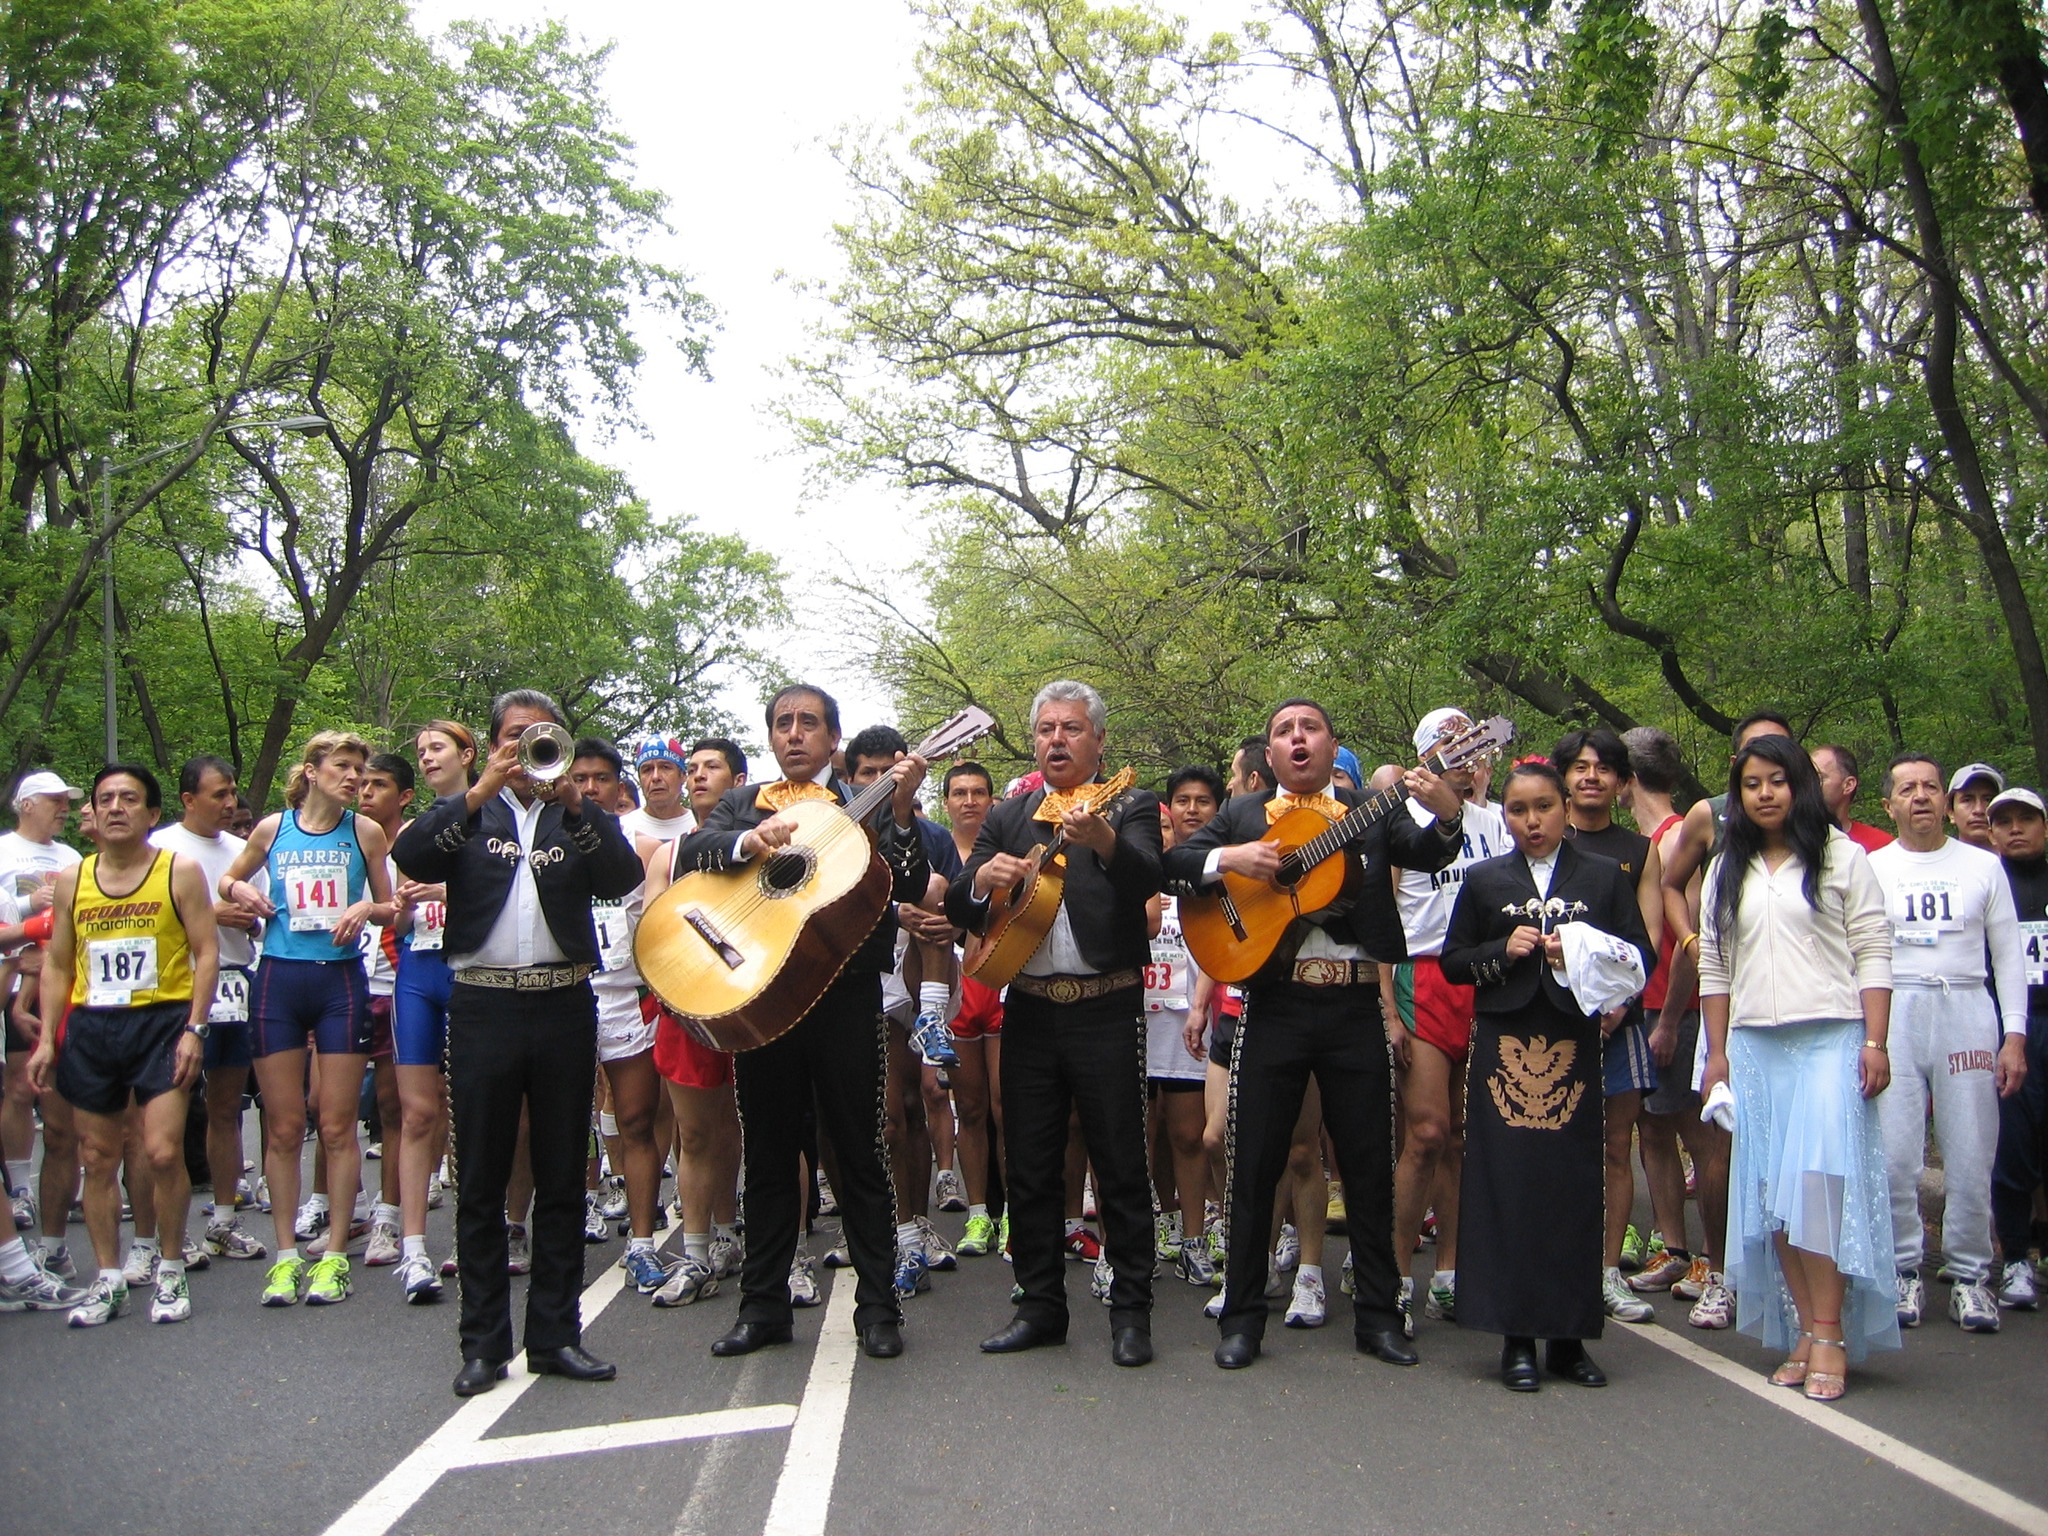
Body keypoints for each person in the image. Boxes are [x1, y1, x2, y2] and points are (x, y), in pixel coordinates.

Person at [1166, 697, 1464, 1371]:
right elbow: (1176, 864)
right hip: (1274, 1002)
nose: (1297, 738)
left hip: (1355, 1003)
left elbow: (1427, 851)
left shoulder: (1370, 809)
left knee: (1367, 1164)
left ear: (1332, 746)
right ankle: (1242, 1320)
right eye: (1284, 731)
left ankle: (1379, 1318)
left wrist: (1448, 812)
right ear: (1270, 754)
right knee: (1253, 1162)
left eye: (1311, 728)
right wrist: (1236, 857)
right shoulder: (1243, 814)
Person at [394, 689, 644, 1395]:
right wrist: (478, 791)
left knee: (563, 1174)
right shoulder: (471, 811)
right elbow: (413, 853)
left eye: (542, 735)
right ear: (493, 742)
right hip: (483, 1003)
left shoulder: (575, 813)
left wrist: (577, 803)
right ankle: (482, 1346)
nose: (528, 747)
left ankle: (556, 1337)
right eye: (515, 736)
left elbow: (622, 876)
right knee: (480, 1176)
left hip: (564, 1001)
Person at [674, 684, 930, 1362]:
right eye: (783, 722)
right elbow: (695, 851)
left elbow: (908, 884)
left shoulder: (863, 802)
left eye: (809, 723)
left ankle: (879, 1309)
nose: (794, 733)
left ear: (833, 739)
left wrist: (902, 812)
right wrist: (748, 841)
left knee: (860, 1153)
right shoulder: (744, 801)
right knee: (767, 1156)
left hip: (843, 996)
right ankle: (763, 1308)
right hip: (764, 1000)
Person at [949, 679, 1161, 1368]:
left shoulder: (1130, 804)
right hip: (1032, 1009)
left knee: (1120, 1162)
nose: (1057, 740)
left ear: (1099, 739)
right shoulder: (1011, 815)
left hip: (1108, 1005)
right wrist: (982, 882)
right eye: (1046, 730)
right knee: (1032, 1163)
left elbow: (1147, 878)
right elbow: (960, 906)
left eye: (1071, 729)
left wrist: (1104, 839)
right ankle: (1039, 1306)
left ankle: (1131, 1312)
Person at [1440, 759, 1654, 1392]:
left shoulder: (1603, 876)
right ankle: (1515, 1338)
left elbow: (1639, 954)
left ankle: (1568, 1339)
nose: (1532, 821)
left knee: (1571, 1184)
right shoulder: (1485, 880)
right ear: (1504, 816)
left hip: (1574, 1039)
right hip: (1504, 1041)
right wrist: (1500, 951)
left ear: (1564, 808)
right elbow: (1453, 961)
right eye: (1517, 810)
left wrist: (1584, 958)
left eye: (1543, 807)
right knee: (1506, 1183)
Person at [1698, 733, 1898, 1401]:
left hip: (1831, 1039)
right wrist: (1717, 1055)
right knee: (1774, 1198)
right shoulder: (1727, 867)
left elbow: (1873, 950)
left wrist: (1876, 1042)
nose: (1764, 794)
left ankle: (1832, 1333)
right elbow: (1714, 966)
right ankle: (1805, 1331)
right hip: (1755, 1046)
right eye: (1751, 784)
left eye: (1776, 781)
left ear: (1799, 787)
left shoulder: (1842, 856)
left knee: (1817, 1189)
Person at [27, 764, 219, 1325]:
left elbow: (207, 951)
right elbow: (58, 962)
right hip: (94, 1025)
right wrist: (47, 1040)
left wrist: (196, 1028)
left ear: (152, 813)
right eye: (105, 798)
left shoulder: (178, 870)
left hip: (162, 1021)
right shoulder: (74, 878)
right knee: (96, 1157)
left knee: (162, 1151)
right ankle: (108, 1278)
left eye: (129, 799)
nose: (115, 808)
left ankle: (170, 1267)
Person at [219, 731, 394, 1308]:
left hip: (339, 982)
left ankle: (336, 1254)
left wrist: (367, 906)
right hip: (279, 980)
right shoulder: (273, 828)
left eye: (361, 770)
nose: (354, 778)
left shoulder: (364, 832)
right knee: (284, 1126)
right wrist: (242, 890)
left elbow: (392, 908)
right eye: (343, 767)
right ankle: (285, 1257)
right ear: (313, 771)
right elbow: (226, 879)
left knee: (337, 1125)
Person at [1869, 755, 2030, 1332]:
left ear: (1946, 801)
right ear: (1888, 805)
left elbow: (2008, 956)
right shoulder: (1873, 867)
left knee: (1970, 1152)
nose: (1920, 796)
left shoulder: (1983, 867)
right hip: (1896, 1010)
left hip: (1965, 1008)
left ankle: (1969, 1276)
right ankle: (1903, 1270)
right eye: (1907, 788)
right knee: (1894, 1156)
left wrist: (2014, 1035)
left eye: (1931, 787)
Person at [1654, 710, 1797, 1326]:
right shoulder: (1710, 815)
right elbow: (1670, 882)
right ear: (1736, 763)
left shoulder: (1814, 825)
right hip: (1728, 1002)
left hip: (1802, 1006)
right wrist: (1691, 942)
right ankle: (1718, 1269)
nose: (1767, 773)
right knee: (1720, 1141)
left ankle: (1790, 1278)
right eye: (1754, 759)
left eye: (1780, 758)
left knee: (1797, 1148)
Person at [1379, 706, 1508, 1333]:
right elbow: (1382, 921)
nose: (1465, 755)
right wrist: (1388, 1009)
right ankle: (1394, 1275)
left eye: (1471, 744)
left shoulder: (1497, 824)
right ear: (1427, 753)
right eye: (1450, 744)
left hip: (1484, 977)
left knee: (1462, 1135)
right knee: (1426, 1132)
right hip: (1422, 976)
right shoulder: (1402, 820)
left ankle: (1451, 1273)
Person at [844, 724, 963, 1302]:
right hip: (862, 976)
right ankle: (895, 1233)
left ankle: (915, 1228)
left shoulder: (930, 833)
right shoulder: (835, 832)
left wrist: (944, 921)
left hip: (918, 970)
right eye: (866, 773)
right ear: (850, 779)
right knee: (888, 1117)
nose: (878, 780)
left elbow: (956, 898)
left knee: (916, 1107)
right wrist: (894, 913)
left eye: (886, 770)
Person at [1552, 727, 1667, 1319]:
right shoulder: (1546, 842)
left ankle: (1606, 1273)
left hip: (1620, 1022)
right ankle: (1553, 1265)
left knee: (1615, 1146)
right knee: (1551, 1145)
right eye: (1579, 766)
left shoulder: (1640, 850)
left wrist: (1617, 1004)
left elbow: (1647, 940)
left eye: (1603, 767)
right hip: (1550, 1021)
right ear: (1563, 778)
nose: (1591, 776)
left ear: (1622, 781)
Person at [1619, 726, 1731, 1321]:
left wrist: (1669, 1021)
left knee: (1697, 1129)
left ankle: (1715, 1255)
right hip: (1637, 1005)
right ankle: (1673, 1246)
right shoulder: (1636, 841)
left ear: (1630, 778)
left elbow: (1694, 938)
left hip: (1677, 1009)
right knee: (1652, 1127)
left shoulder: (1679, 833)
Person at [151, 756, 268, 1265]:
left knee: (226, 1106)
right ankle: (164, 1234)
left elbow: (266, 922)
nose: (229, 803)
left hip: (235, 981)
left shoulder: (245, 853)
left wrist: (249, 922)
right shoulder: (160, 849)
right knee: (169, 1110)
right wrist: (206, 914)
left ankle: (223, 1221)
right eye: (219, 794)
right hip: (175, 987)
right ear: (188, 799)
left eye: (232, 793)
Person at [643, 736, 748, 1307]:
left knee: (764, 1132)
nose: (699, 776)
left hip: (753, 1006)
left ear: (739, 782)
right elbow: (655, 935)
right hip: (688, 1007)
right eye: (694, 768)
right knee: (698, 1133)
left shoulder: (762, 843)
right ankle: (697, 1251)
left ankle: (762, 1246)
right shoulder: (671, 853)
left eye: (713, 767)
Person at [571, 738, 671, 1299]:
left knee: (635, 1119)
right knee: (564, 1120)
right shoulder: (547, 844)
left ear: (617, 786)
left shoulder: (643, 848)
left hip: (626, 997)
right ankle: (571, 1215)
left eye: (601, 779)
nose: (590, 789)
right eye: (579, 778)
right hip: (566, 993)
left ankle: (642, 1242)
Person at [389, 719, 474, 1302]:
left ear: (467, 755)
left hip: (470, 972)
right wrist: (399, 903)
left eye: (436, 748)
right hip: (419, 974)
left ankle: (476, 1236)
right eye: (420, 752)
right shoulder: (414, 831)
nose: (426, 758)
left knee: (474, 1114)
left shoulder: (493, 820)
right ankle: (413, 1250)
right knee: (418, 1114)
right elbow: (397, 921)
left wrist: (447, 892)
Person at [0, 771, 83, 1250]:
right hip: (11, 979)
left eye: (67, 801)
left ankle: (66, 1185)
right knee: (17, 1085)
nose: (64, 809)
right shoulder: (4, 851)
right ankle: (19, 1187)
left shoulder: (72, 858)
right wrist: (31, 902)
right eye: (55, 801)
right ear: (26, 804)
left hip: (59, 985)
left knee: (59, 1096)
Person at [1152, 766, 1222, 1287]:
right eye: (1182, 801)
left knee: (1187, 1133)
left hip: (1188, 1022)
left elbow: (1221, 951)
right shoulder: (1138, 870)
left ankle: (1195, 1237)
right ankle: (1164, 1220)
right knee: (1145, 1136)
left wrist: (1200, 1005)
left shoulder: (1216, 871)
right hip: (1140, 1016)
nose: (1191, 810)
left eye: (1202, 801)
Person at [939, 762, 1006, 1259]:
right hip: (956, 986)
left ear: (991, 799)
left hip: (1000, 980)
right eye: (959, 792)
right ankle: (979, 1213)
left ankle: (1016, 1213)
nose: (969, 801)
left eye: (978, 792)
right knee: (971, 1107)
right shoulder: (937, 850)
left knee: (1008, 1105)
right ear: (946, 802)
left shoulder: (1006, 845)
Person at [1989, 786, 2048, 1310]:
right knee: (2013, 1146)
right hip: (2008, 1029)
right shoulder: (1987, 881)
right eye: (2003, 821)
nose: (2015, 828)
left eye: (2025, 819)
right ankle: (2014, 1258)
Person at [1812, 745, 1894, 854]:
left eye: (1818, 778)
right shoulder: (1792, 841)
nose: (1808, 784)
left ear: (1848, 785)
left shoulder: (1881, 846)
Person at [1948, 763, 2004, 852]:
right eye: (1967, 800)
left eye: (1988, 800)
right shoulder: (1934, 860)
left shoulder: (2021, 858)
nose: (1979, 810)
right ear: (1950, 812)